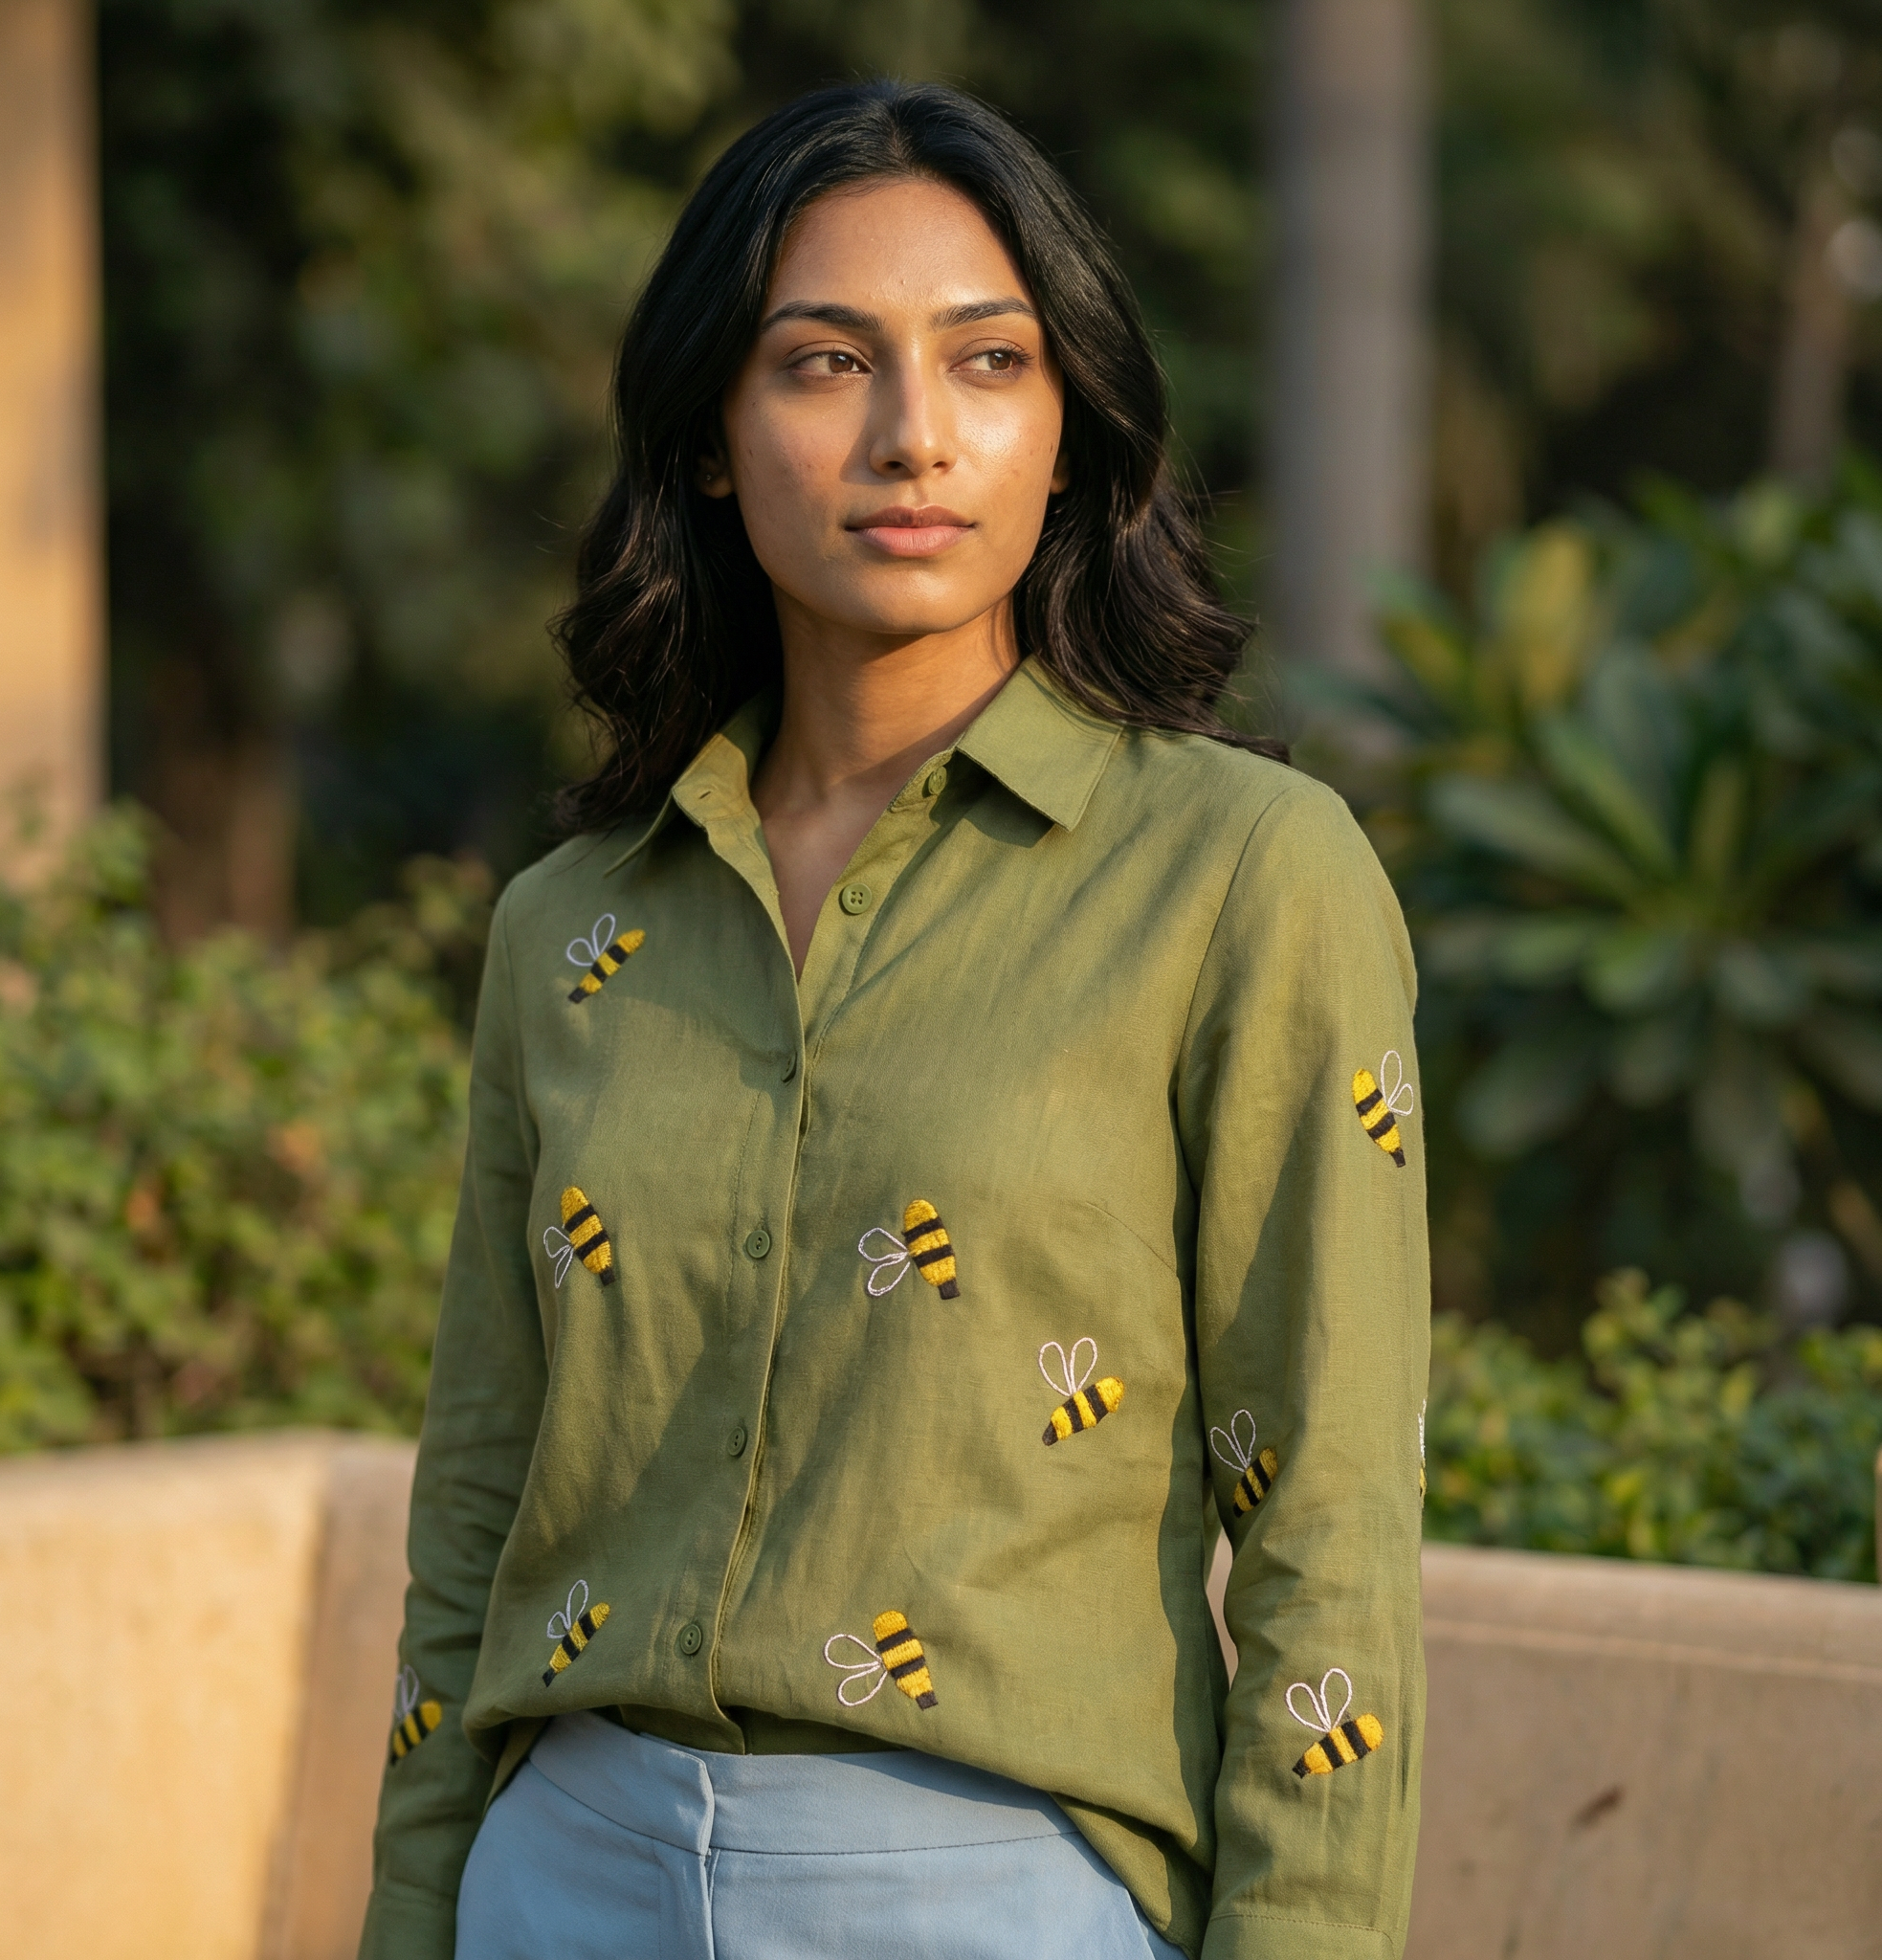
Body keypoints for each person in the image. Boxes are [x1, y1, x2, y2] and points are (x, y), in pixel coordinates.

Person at [360, 78, 1428, 1960]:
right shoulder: (571, 926)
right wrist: (416, 1913)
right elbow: (478, 1502)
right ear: (711, 436)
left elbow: (1327, 1521)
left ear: (1071, 433)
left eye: (989, 361)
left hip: (989, 1893)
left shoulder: (1243, 877)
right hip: (562, 1875)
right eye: (825, 362)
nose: (911, 435)